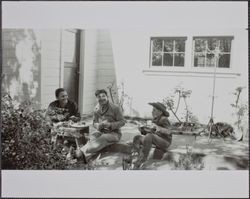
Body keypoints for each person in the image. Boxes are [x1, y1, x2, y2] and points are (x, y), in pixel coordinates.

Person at [76, 89, 126, 161]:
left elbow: (123, 122)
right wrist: (97, 125)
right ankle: (87, 155)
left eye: (103, 96)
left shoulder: (115, 108)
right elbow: (94, 122)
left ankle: (81, 151)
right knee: (92, 137)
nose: (102, 98)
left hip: (115, 133)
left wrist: (110, 125)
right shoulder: (96, 108)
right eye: (99, 97)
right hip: (102, 131)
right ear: (96, 99)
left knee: (103, 138)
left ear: (107, 97)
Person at [132, 102, 172, 167]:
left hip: (165, 142)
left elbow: (169, 131)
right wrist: (142, 129)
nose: (152, 112)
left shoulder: (164, 119)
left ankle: (142, 159)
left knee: (149, 136)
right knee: (137, 137)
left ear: (160, 112)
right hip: (156, 140)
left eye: (154, 110)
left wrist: (157, 127)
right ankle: (136, 156)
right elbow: (150, 132)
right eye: (152, 110)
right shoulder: (154, 119)